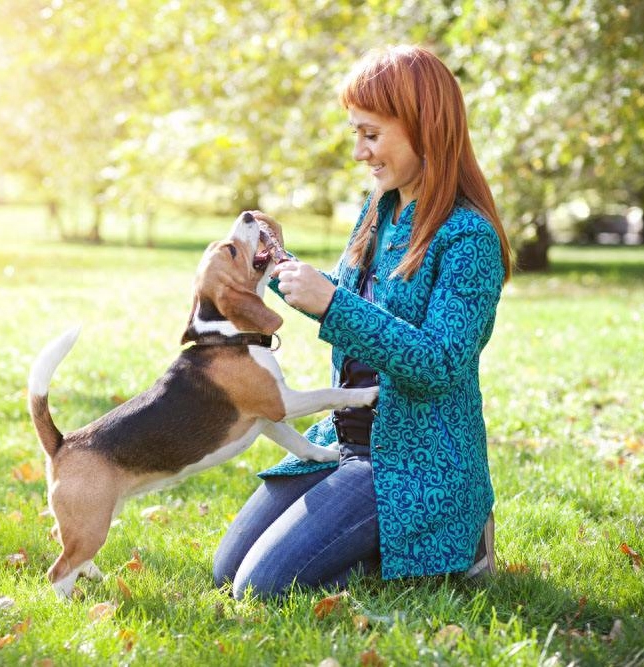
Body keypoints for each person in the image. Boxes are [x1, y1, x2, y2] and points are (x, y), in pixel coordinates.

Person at [213, 45, 512, 598]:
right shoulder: (381, 207)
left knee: (262, 587)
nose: (359, 152)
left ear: (424, 128)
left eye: (370, 135)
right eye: (356, 134)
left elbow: (440, 365)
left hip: (410, 463)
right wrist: (279, 265)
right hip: (342, 440)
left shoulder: (469, 238)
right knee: (226, 571)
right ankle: (384, 545)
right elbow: (350, 299)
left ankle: (450, 540)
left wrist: (332, 305)